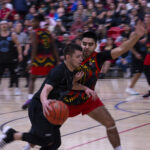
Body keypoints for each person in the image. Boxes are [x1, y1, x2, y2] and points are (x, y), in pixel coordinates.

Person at [23, 20, 146, 150]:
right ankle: (26, 147)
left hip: (88, 99)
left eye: (90, 44)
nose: (86, 47)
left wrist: (137, 36)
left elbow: (122, 48)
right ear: (80, 43)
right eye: (84, 44)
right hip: (66, 101)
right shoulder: (74, 57)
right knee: (44, 132)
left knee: (110, 123)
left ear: (95, 45)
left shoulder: (99, 57)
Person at [0, 43, 96, 150]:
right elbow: (45, 90)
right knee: (46, 141)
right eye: (78, 56)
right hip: (40, 107)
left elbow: (71, 85)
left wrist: (86, 89)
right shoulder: (58, 71)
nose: (81, 59)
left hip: (51, 109)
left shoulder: (71, 71)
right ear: (68, 57)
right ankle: (11, 135)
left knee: (55, 143)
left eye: (81, 56)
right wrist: (45, 101)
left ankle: (11, 135)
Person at [22, 14, 60, 109]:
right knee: (49, 81)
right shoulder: (48, 32)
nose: (32, 23)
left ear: (37, 22)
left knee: (32, 78)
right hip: (49, 59)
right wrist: (58, 60)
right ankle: (49, 98)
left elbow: (34, 48)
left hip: (39, 59)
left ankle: (31, 99)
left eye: (33, 21)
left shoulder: (34, 32)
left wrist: (31, 62)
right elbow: (54, 47)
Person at [0, 20, 23, 95]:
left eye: (5, 24)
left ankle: (17, 88)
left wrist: (20, 54)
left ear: (7, 25)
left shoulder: (12, 35)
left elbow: (18, 44)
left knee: (14, 74)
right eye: (2, 24)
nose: (4, 26)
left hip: (11, 58)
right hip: (1, 58)